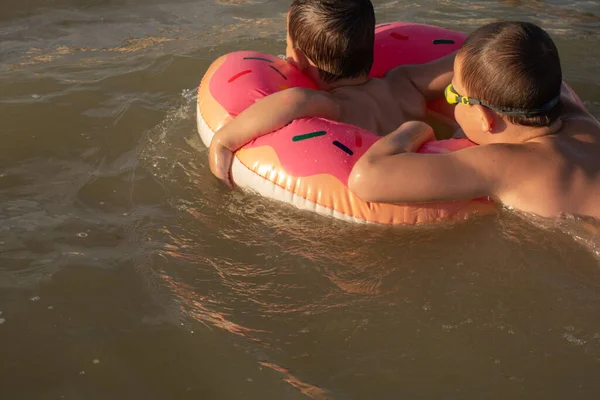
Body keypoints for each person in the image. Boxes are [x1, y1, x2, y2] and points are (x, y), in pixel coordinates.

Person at [348, 21, 600, 219]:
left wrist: (415, 128)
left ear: (484, 119)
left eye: (453, 94)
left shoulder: (507, 165)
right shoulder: (576, 115)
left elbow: (367, 178)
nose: (450, 97)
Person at [208, 0, 455, 188]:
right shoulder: (405, 83)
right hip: (435, 170)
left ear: (300, 57)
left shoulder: (335, 106)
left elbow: (291, 101)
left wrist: (223, 142)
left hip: (377, 183)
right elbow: (460, 64)